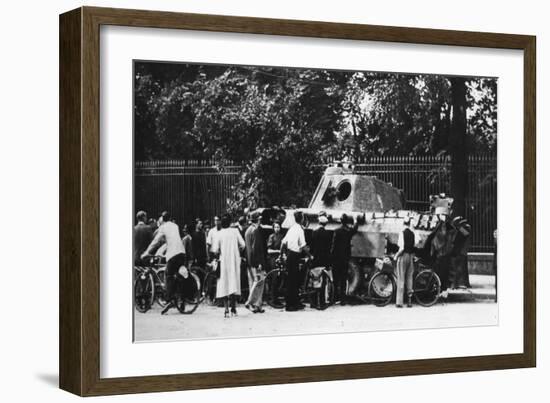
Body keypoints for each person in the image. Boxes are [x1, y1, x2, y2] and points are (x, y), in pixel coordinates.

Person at [141, 211, 187, 315]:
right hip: (182, 253)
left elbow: (155, 242)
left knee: (168, 274)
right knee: (179, 276)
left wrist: (146, 252)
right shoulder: (175, 226)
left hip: (173, 255)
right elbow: (170, 241)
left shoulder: (163, 227)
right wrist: (160, 253)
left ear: (162, 219)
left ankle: (170, 300)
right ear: (170, 218)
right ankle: (181, 300)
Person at [212, 214, 245, 318]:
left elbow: (215, 250)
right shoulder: (235, 232)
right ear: (230, 222)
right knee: (233, 282)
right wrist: (236, 251)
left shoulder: (219, 234)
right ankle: (234, 308)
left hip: (224, 261)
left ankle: (226, 310)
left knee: (224, 283)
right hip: (234, 261)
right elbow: (243, 245)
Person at [281, 211, 309, 311]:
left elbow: (283, 242)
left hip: (289, 255)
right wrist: (310, 255)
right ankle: (291, 305)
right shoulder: (300, 230)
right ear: (301, 219)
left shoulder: (292, 228)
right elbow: (303, 245)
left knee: (291, 280)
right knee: (294, 280)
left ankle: (295, 302)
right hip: (295, 255)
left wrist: (282, 255)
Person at [330, 213, 358, 305]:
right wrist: (356, 221)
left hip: (336, 258)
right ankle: (343, 299)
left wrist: (331, 256)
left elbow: (333, 246)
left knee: (335, 279)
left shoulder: (336, 231)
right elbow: (355, 229)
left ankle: (334, 298)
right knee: (343, 279)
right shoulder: (348, 231)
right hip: (345, 258)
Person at [244, 212, 267, 313]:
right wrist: (259, 262)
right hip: (256, 261)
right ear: (257, 220)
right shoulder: (256, 230)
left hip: (249, 260)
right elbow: (256, 248)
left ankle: (257, 305)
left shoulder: (248, 230)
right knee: (259, 281)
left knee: (254, 282)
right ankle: (250, 302)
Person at [395, 217, 415, 308]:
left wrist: (396, 256)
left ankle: (399, 302)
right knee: (409, 278)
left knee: (401, 278)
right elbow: (415, 244)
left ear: (403, 223)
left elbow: (402, 248)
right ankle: (410, 301)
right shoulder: (412, 234)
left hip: (403, 256)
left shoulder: (402, 233)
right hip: (411, 257)